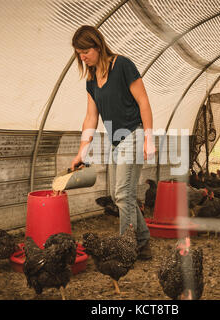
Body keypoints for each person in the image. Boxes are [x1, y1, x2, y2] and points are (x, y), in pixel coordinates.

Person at [71, 25, 155, 260]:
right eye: (79, 53)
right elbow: (90, 118)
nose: (82, 57)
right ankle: (142, 241)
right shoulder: (91, 80)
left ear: (97, 46)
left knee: (121, 195)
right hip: (117, 141)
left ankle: (124, 250)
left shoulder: (123, 66)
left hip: (134, 134)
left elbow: (144, 102)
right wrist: (81, 153)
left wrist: (149, 138)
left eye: (85, 51)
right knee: (122, 195)